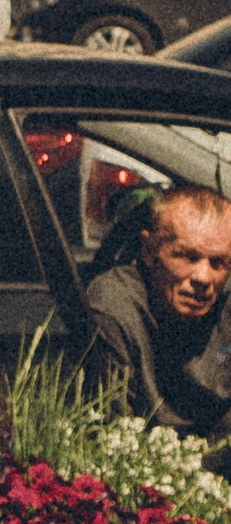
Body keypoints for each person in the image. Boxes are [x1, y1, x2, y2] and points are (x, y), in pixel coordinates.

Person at [86, 183, 231, 453]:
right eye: (187, 257)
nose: (203, 278)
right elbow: (111, 434)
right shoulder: (115, 308)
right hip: (146, 469)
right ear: (149, 251)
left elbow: (225, 356)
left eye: (218, 263)